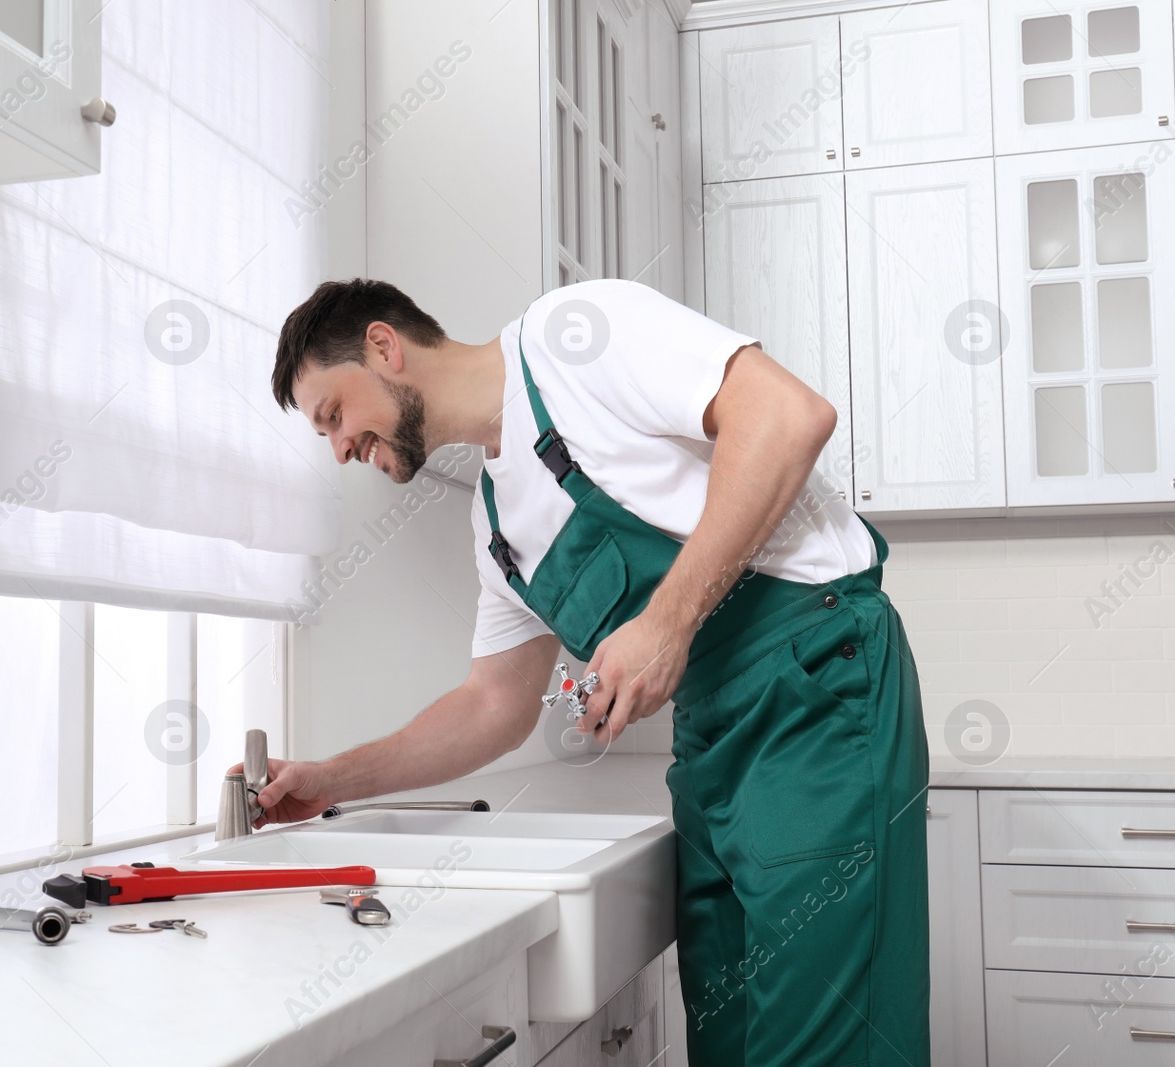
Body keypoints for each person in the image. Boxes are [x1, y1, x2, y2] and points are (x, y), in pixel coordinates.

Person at [254, 277, 930, 1066]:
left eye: (334, 414)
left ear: (382, 346)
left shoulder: (571, 336)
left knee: (826, 1043)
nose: (339, 447)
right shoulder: (496, 523)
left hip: (815, 693)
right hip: (713, 747)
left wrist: (666, 623)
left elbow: (788, 414)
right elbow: (492, 705)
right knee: (732, 1037)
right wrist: (329, 779)